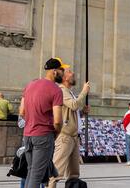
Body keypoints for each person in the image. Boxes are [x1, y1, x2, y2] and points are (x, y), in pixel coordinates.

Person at [21, 58, 65, 188]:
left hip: (27, 135)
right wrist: (56, 133)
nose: (63, 73)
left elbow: (22, 111)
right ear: (55, 71)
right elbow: (57, 120)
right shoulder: (56, 90)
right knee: (36, 175)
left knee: (31, 171)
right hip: (43, 135)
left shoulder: (30, 85)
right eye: (61, 70)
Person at [47, 65, 90, 188]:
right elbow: (73, 105)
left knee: (74, 174)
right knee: (56, 172)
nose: (73, 73)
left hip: (73, 137)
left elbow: (72, 111)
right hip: (65, 137)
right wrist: (84, 92)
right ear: (64, 77)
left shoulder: (69, 92)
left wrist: (82, 113)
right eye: (69, 72)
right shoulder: (61, 90)